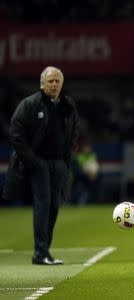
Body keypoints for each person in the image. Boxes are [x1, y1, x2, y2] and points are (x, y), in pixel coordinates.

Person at [2, 66, 79, 265]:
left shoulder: (67, 105)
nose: (54, 84)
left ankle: (45, 252)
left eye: (57, 81)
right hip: (40, 163)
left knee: (54, 206)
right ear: (42, 84)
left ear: (62, 84)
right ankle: (40, 252)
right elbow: (15, 133)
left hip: (59, 163)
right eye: (50, 81)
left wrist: (67, 156)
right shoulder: (30, 104)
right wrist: (32, 161)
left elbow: (74, 131)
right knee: (43, 205)